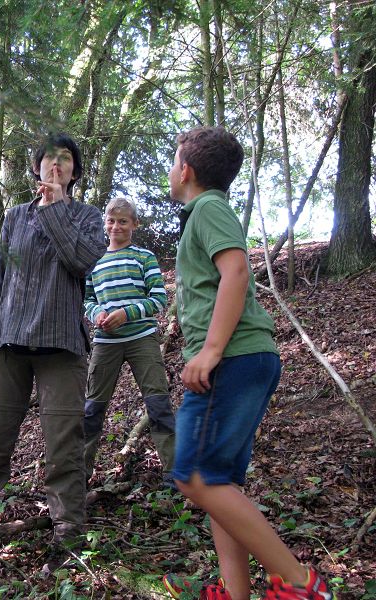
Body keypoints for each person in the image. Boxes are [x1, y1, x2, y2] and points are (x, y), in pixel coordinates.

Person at [163, 126, 331, 600]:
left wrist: (211, 350)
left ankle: (301, 586)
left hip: (232, 358)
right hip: (245, 359)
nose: (171, 171)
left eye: (173, 162)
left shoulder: (209, 208)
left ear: (186, 170)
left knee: (194, 475)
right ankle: (237, 594)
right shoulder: (204, 213)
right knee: (221, 484)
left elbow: (236, 270)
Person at [0, 133, 105, 568]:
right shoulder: (14, 218)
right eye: (49, 158)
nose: (56, 164)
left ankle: (68, 534)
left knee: (64, 442)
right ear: (37, 167)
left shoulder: (87, 216)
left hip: (62, 345)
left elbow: (81, 261)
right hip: (8, 344)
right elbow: (0, 279)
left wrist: (57, 207)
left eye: (65, 159)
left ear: (75, 172)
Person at [82, 196, 175, 488]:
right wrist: (97, 314)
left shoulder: (144, 257)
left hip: (142, 339)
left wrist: (126, 313)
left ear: (134, 224)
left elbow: (159, 299)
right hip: (105, 342)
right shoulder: (93, 260)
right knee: (92, 408)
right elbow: (87, 299)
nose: (116, 226)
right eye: (111, 220)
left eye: (123, 221)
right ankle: (79, 475)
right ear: (104, 224)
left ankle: (174, 474)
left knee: (158, 402)